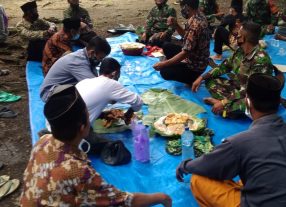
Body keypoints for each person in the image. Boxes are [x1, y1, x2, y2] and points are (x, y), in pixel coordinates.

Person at [20, 85, 172, 207]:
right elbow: (122, 201)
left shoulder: (43, 140)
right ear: (82, 127)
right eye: (88, 115)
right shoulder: (77, 170)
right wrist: (162, 197)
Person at [176, 73, 286, 207]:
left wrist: (185, 165)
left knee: (199, 178)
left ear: (248, 102)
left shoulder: (240, 142)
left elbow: (207, 165)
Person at [192, 22, 282, 119]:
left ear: (244, 38)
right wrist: (202, 77)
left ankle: (225, 107)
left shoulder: (260, 60)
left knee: (244, 107)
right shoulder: (240, 51)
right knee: (210, 81)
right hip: (239, 87)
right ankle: (226, 106)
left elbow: (250, 90)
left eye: (238, 34)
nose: (235, 36)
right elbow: (224, 66)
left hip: (254, 97)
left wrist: (224, 102)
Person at [153, 0, 210, 85]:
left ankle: (192, 79)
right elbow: (185, 36)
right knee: (167, 46)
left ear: (187, 7)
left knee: (165, 72)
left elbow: (185, 53)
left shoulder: (196, 24)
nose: (181, 9)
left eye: (181, 6)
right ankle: (177, 65)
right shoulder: (197, 16)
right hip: (193, 56)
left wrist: (163, 64)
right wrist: (175, 24)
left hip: (195, 67)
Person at [40, 36, 111, 102]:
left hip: (61, 87)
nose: (101, 61)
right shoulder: (78, 62)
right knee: (88, 95)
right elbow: (94, 86)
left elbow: (95, 77)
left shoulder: (84, 55)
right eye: (100, 58)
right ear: (92, 53)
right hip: (49, 93)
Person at [76, 57, 143, 125]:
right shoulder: (110, 83)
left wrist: (102, 115)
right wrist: (129, 114)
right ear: (115, 73)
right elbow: (138, 101)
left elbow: (86, 108)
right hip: (77, 129)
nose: (118, 78)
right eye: (118, 75)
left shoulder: (84, 82)